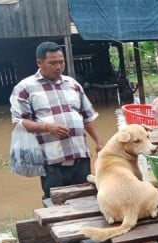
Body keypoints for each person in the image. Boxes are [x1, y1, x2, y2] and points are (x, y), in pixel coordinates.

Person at [10, 41, 105, 200]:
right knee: (55, 201)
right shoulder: (25, 88)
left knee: (86, 198)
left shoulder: (73, 84)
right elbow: (18, 123)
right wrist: (47, 127)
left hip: (80, 155)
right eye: (53, 63)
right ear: (39, 63)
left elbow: (87, 116)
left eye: (61, 62)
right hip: (51, 160)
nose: (58, 67)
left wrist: (99, 141)